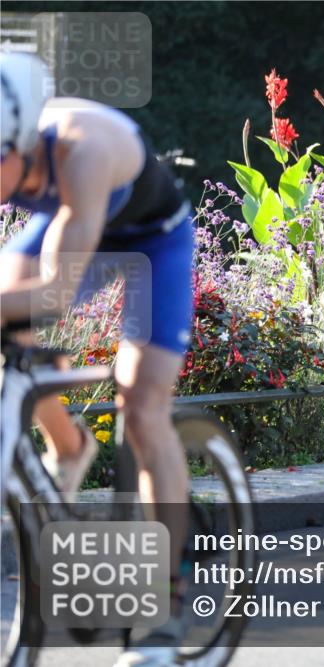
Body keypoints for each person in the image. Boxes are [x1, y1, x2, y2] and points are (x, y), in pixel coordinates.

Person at [0, 52, 193, 667]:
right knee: (11, 327)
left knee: (141, 404)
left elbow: (55, 292)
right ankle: (68, 445)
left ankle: (163, 603)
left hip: (150, 242)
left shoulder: (81, 152)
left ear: (24, 142)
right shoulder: (16, 153)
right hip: (67, 222)